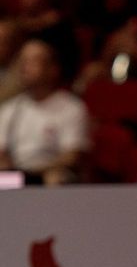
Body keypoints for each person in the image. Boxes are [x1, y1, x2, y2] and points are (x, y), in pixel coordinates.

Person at [0, 37, 88, 185]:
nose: (24, 67)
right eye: (23, 61)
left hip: (49, 175)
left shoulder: (71, 108)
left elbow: (72, 156)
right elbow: (2, 152)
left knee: (56, 179)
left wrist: (36, 174)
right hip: (19, 177)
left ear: (52, 69)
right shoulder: (10, 108)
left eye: (33, 61)